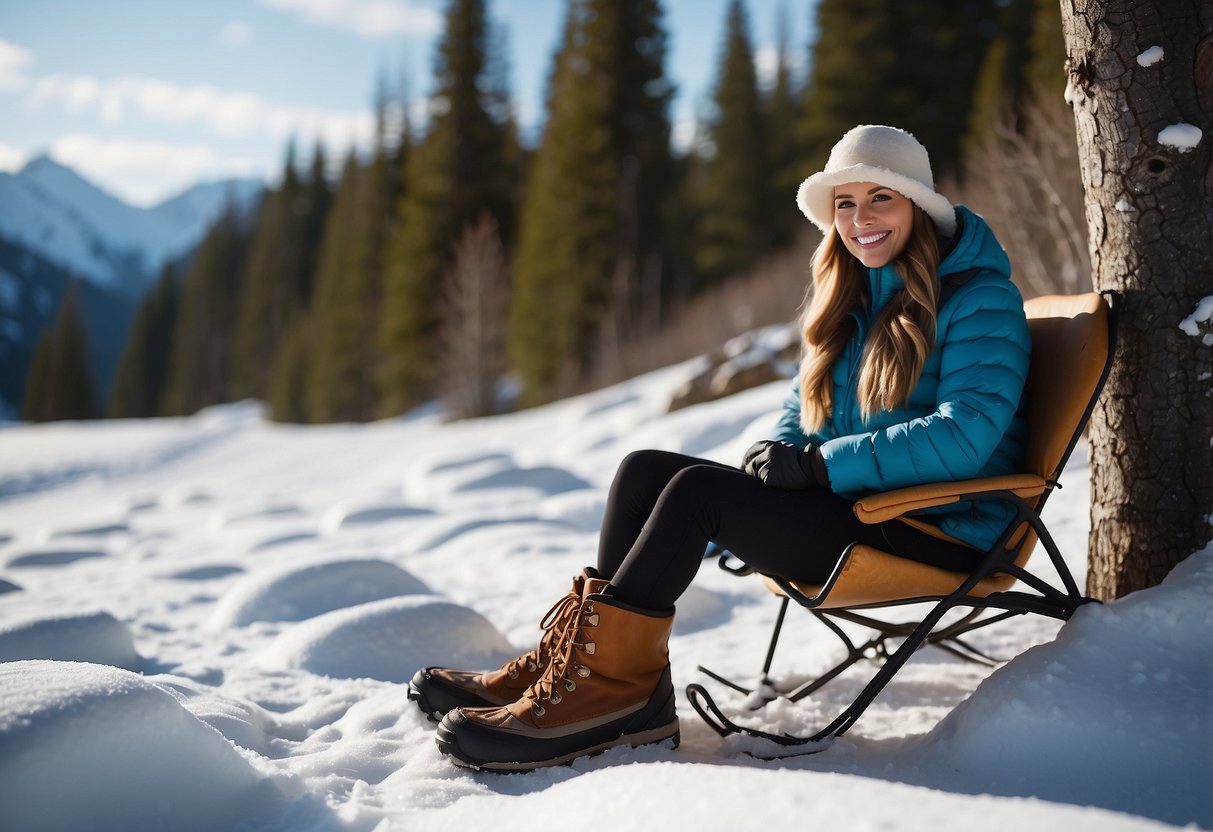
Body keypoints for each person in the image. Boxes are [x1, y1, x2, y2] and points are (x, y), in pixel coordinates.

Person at [409, 124, 1031, 772]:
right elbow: (803, 412)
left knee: (698, 495)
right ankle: (582, 667)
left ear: (919, 208)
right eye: (844, 203)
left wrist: (819, 466)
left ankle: (612, 697)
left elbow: (966, 434)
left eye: (880, 198)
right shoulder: (849, 300)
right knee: (645, 471)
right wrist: (782, 457)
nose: (859, 219)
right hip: (865, 508)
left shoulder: (978, 299)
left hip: (939, 525)